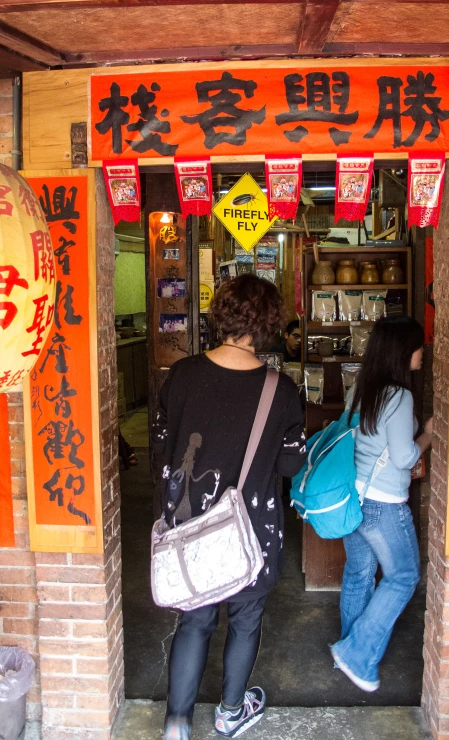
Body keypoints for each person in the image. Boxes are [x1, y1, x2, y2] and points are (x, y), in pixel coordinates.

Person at [152, 274, 306, 740]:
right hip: (252, 530)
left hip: (191, 525)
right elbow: (289, 461)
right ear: (270, 324)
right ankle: (231, 712)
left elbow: (161, 450)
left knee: (195, 619)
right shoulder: (281, 389)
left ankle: (178, 726)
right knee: (245, 620)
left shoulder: (181, 375)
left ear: (222, 316)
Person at [330, 315, 432, 693]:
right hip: (383, 504)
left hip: (354, 499)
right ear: (403, 351)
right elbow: (405, 457)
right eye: (419, 346)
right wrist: (429, 436)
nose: (423, 352)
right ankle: (356, 654)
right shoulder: (400, 396)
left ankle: (348, 650)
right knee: (403, 577)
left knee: (359, 572)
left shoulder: (362, 386)